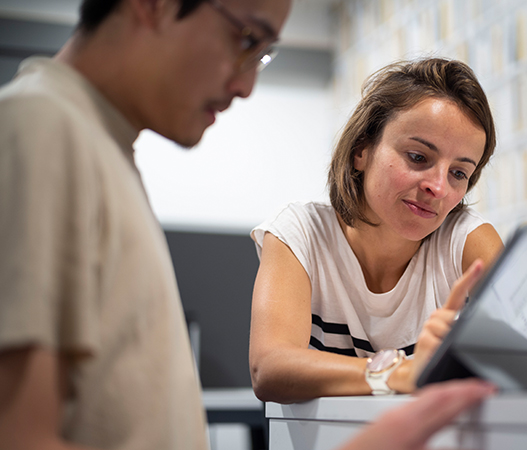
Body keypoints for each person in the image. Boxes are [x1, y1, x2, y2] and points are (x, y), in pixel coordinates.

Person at [0, 0, 496, 449]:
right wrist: (391, 377)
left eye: (459, 173)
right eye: (244, 39)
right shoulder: (42, 129)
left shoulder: (95, 149)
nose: (245, 85)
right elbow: (20, 434)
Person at [249, 58, 527, 404]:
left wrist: (465, 354)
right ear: (361, 149)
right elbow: (269, 367)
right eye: (418, 157)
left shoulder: (465, 239)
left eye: (459, 174)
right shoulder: (300, 232)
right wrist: (403, 373)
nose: (438, 187)